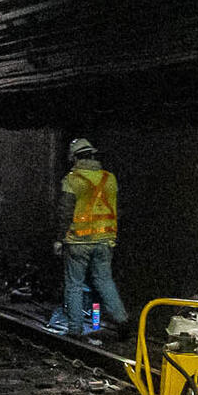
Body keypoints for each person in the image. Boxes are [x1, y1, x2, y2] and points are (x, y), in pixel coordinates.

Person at [48, 138, 128, 335]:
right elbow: (117, 209)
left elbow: (65, 212)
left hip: (78, 241)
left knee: (74, 285)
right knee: (104, 281)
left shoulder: (72, 179)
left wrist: (59, 239)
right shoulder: (110, 178)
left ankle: (75, 330)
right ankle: (123, 321)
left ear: (75, 158)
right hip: (104, 241)